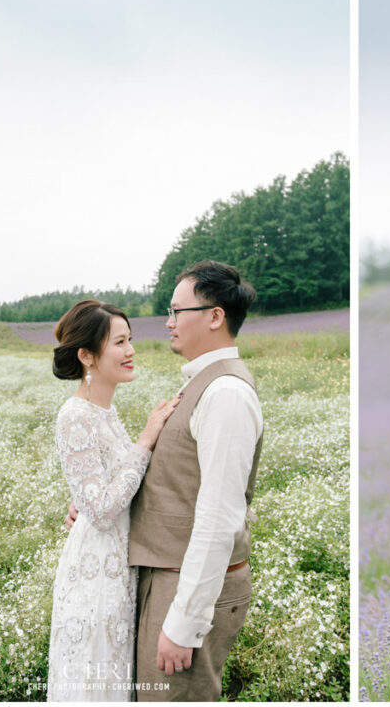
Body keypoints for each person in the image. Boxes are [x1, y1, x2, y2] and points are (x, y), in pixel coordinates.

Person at [129, 260, 263, 701]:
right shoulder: (203, 385)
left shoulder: (226, 394)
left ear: (214, 316)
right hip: (170, 576)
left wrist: (184, 622)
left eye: (176, 311)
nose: (168, 323)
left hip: (187, 588)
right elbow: (176, 483)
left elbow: (218, 517)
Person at [48, 300, 181, 701]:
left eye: (130, 340)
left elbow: (99, 493)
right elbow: (103, 510)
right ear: (86, 355)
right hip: (95, 574)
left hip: (117, 568)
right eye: (119, 342)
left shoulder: (106, 412)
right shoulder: (75, 415)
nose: (131, 350)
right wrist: (147, 439)